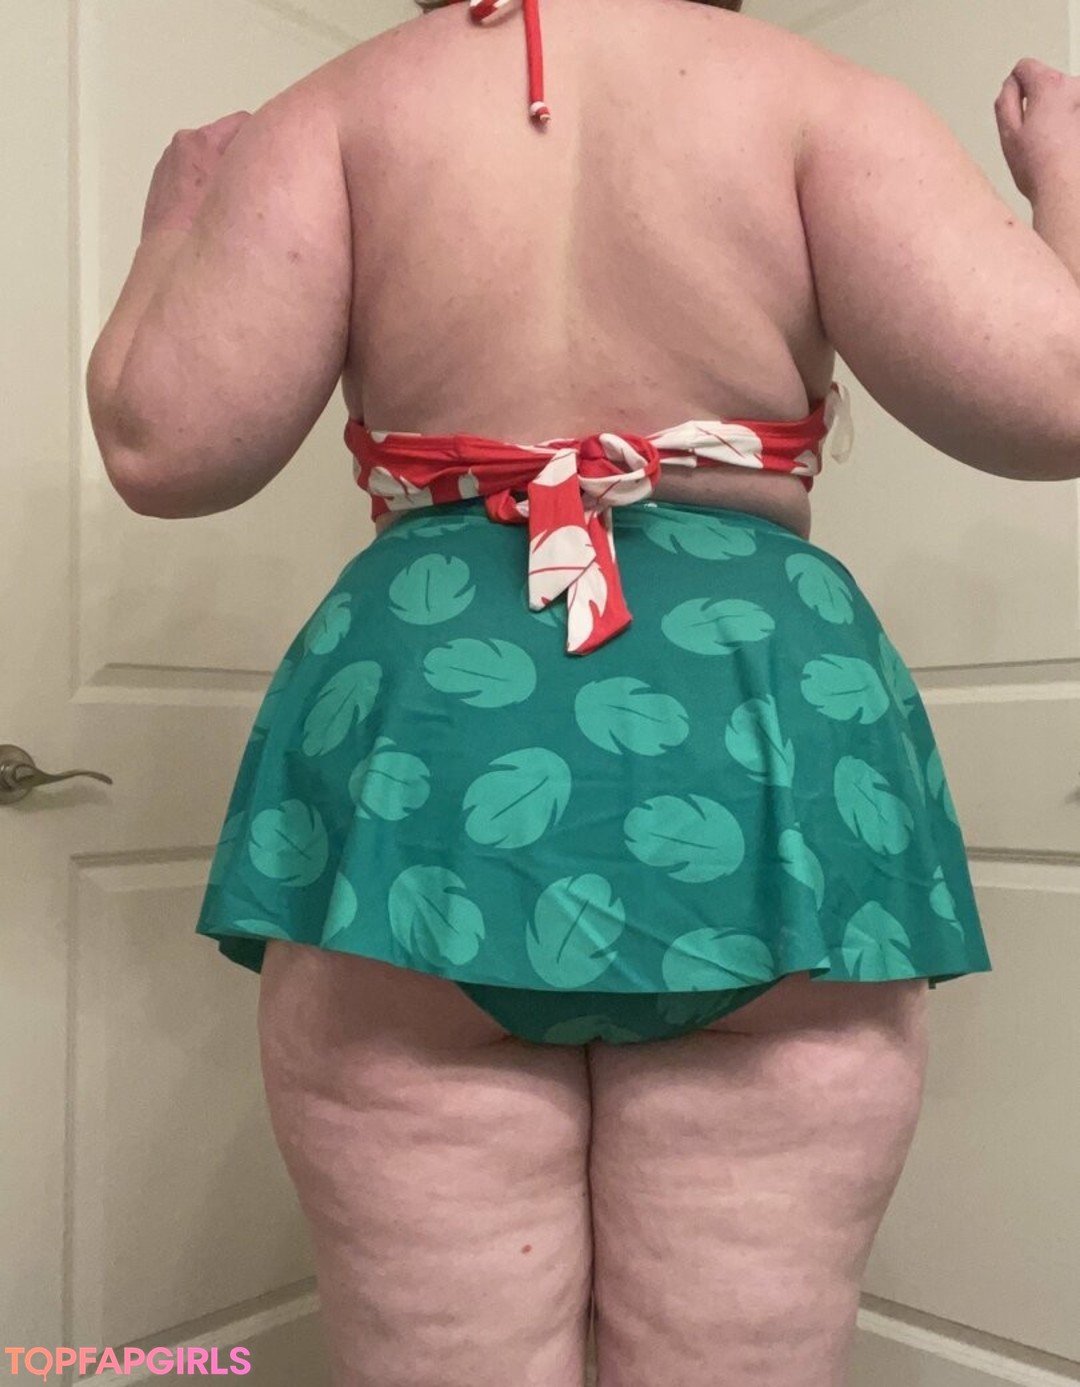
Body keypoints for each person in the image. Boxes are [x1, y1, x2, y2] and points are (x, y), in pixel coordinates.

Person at [85, 1, 1080, 1383]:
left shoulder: (339, 111)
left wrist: (178, 224)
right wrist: (1068, 171)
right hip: (757, 744)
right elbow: (1062, 389)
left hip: (425, 758)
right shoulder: (816, 97)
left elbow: (163, 445)